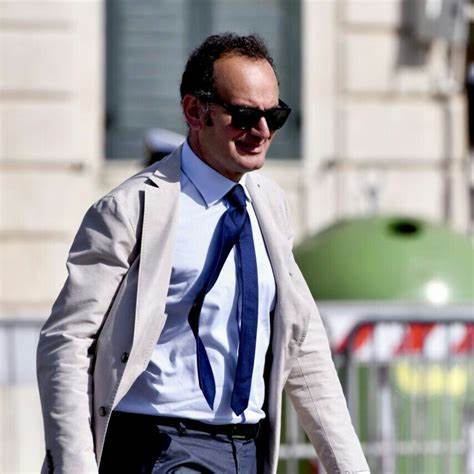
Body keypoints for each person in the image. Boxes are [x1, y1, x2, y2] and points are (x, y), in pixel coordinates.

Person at [37, 33, 369, 474]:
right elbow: (67, 340)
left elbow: (303, 344)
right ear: (195, 111)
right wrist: (75, 466)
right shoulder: (131, 208)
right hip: (158, 446)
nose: (262, 132)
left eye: (275, 116)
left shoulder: (269, 204)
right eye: (244, 116)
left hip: (246, 449)